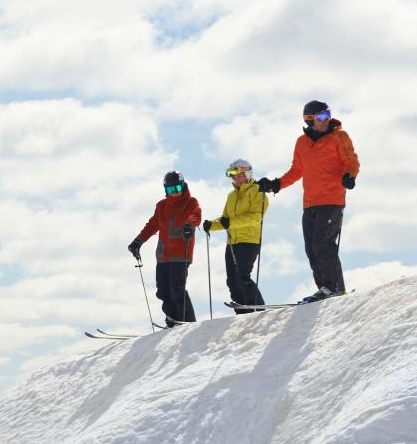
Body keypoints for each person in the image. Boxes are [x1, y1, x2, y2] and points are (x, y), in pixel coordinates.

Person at [256, 100, 360, 302]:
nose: (326, 119)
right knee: (311, 249)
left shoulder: (339, 136)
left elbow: (351, 159)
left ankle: (334, 288)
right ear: (309, 119)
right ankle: (324, 288)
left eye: (328, 114)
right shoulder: (302, 143)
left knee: (323, 244)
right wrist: (276, 184)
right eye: (321, 116)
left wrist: (350, 175)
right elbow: (297, 171)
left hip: (332, 199)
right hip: (310, 202)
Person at [128, 171, 200, 327]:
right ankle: (172, 320)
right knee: (163, 290)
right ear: (165, 190)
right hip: (163, 256)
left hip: (181, 254)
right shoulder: (161, 206)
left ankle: (186, 322)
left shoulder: (191, 202)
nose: (174, 193)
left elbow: (196, 215)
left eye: (177, 189)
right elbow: (152, 225)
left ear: (183, 186)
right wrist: (138, 242)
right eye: (170, 190)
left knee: (177, 288)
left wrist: (189, 225)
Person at [203, 159, 268, 312]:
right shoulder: (231, 196)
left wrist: (230, 223)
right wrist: (212, 225)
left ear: (247, 173)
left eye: (239, 175)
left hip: (249, 240)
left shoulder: (258, 191)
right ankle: (243, 311)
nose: (236, 179)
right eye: (233, 176)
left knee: (242, 277)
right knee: (232, 280)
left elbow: (255, 218)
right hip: (232, 242)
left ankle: (258, 308)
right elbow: (226, 218)